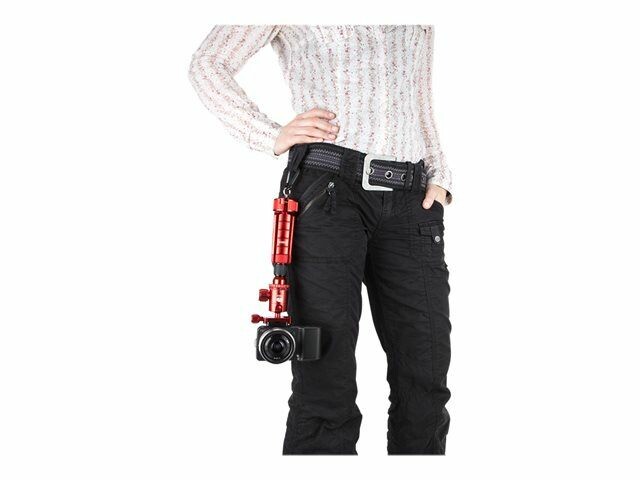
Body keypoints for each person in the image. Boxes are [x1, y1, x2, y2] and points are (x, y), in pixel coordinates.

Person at [188, 25, 452, 455]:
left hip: (412, 201)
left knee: (426, 377)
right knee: (325, 382)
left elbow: (418, 94)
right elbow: (209, 62)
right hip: (328, 193)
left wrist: (439, 172)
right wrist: (267, 134)